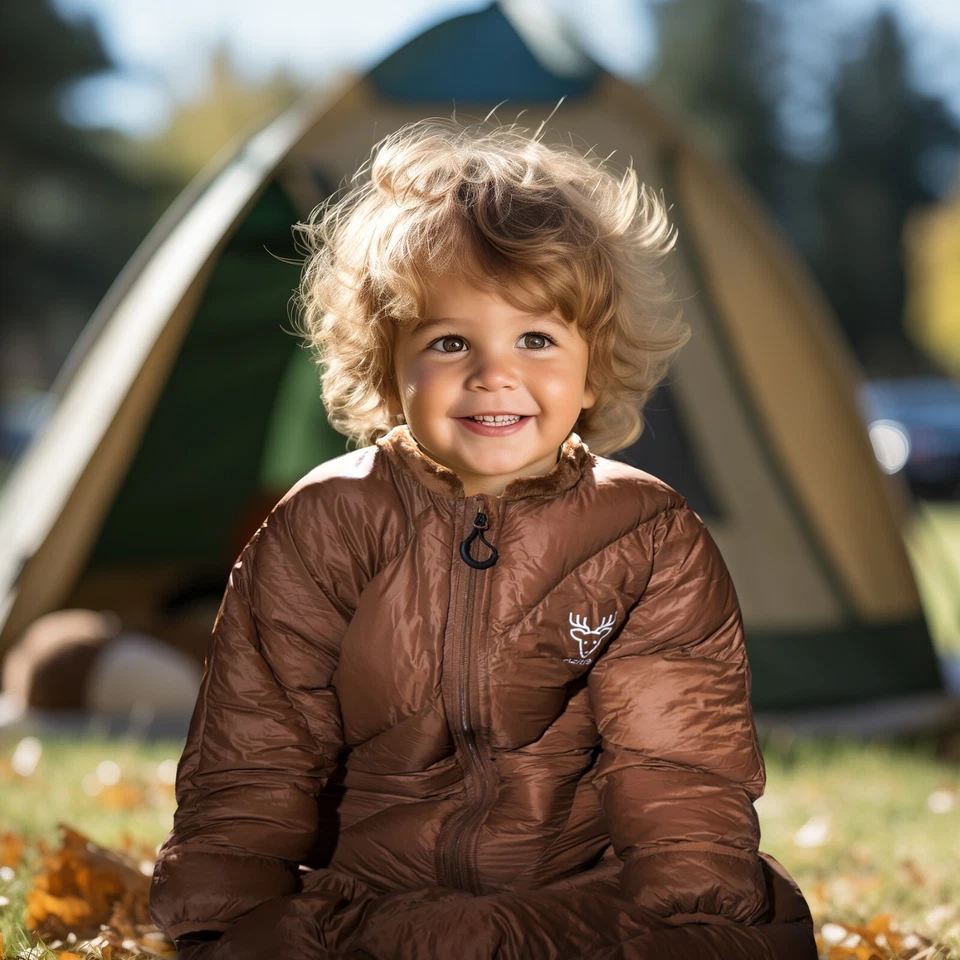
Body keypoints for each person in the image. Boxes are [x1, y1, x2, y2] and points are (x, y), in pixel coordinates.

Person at [149, 115, 818, 960]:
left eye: (535, 338)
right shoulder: (324, 524)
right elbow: (256, 744)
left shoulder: (646, 535)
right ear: (389, 361)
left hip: (578, 901)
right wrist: (223, 912)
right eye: (450, 340)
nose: (493, 372)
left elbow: (676, 762)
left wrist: (692, 911)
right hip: (376, 908)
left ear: (592, 360)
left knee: (753, 922)